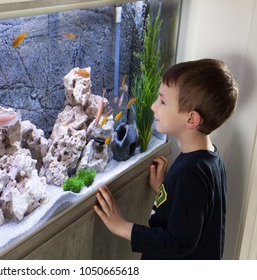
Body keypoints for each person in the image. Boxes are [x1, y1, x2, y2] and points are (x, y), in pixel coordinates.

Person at [94, 58, 238, 259]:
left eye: (162, 101)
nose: (154, 107)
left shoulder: (191, 173)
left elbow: (178, 243)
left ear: (191, 119)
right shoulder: (209, 157)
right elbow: (193, 211)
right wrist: (164, 190)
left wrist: (123, 226)